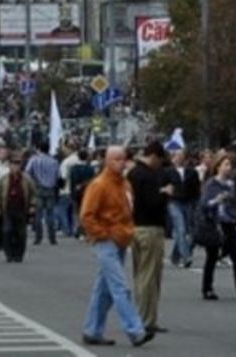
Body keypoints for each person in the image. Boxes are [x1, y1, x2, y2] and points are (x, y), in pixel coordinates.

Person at [79, 145, 153, 348]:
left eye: (123, 159)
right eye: (117, 159)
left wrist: (126, 231)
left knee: (104, 289)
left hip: (120, 239)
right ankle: (135, 330)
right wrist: (103, 234)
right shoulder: (99, 184)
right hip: (106, 241)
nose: (122, 163)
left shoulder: (125, 184)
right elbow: (86, 215)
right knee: (120, 287)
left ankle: (92, 330)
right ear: (107, 161)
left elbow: (129, 211)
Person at [127, 141, 171, 333]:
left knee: (140, 274)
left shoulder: (133, 174)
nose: (160, 165)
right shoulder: (148, 176)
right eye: (159, 161)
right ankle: (146, 319)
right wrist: (165, 193)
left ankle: (143, 316)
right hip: (151, 228)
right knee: (149, 277)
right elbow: (153, 202)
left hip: (135, 227)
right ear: (154, 156)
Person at [199, 152, 236, 301]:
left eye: (230, 165)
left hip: (229, 222)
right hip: (215, 224)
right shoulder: (211, 184)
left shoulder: (231, 184)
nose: (229, 168)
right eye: (226, 165)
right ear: (218, 167)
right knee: (212, 257)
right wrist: (216, 200)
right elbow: (204, 205)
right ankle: (207, 288)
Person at [0, 152, 37, 263]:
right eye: (13, 164)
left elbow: (34, 193)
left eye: (17, 164)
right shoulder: (4, 179)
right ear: (10, 166)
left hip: (21, 209)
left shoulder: (27, 179)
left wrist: (32, 206)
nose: (15, 166)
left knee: (20, 233)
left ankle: (19, 254)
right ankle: (9, 254)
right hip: (8, 208)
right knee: (7, 231)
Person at [166, 147, 199, 269]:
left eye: (181, 155)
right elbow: (162, 187)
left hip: (188, 202)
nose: (179, 157)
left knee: (188, 231)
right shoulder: (167, 172)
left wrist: (197, 204)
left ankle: (175, 256)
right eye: (176, 155)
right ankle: (186, 257)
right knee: (181, 229)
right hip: (174, 202)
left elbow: (196, 189)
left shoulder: (191, 172)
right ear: (172, 157)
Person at [24, 141, 61, 246]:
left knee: (38, 214)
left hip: (38, 188)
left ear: (39, 149)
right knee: (50, 214)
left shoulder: (34, 159)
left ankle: (38, 238)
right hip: (51, 189)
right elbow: (58, 176)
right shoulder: (54, 161)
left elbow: (27, 173)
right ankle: (52, 238)